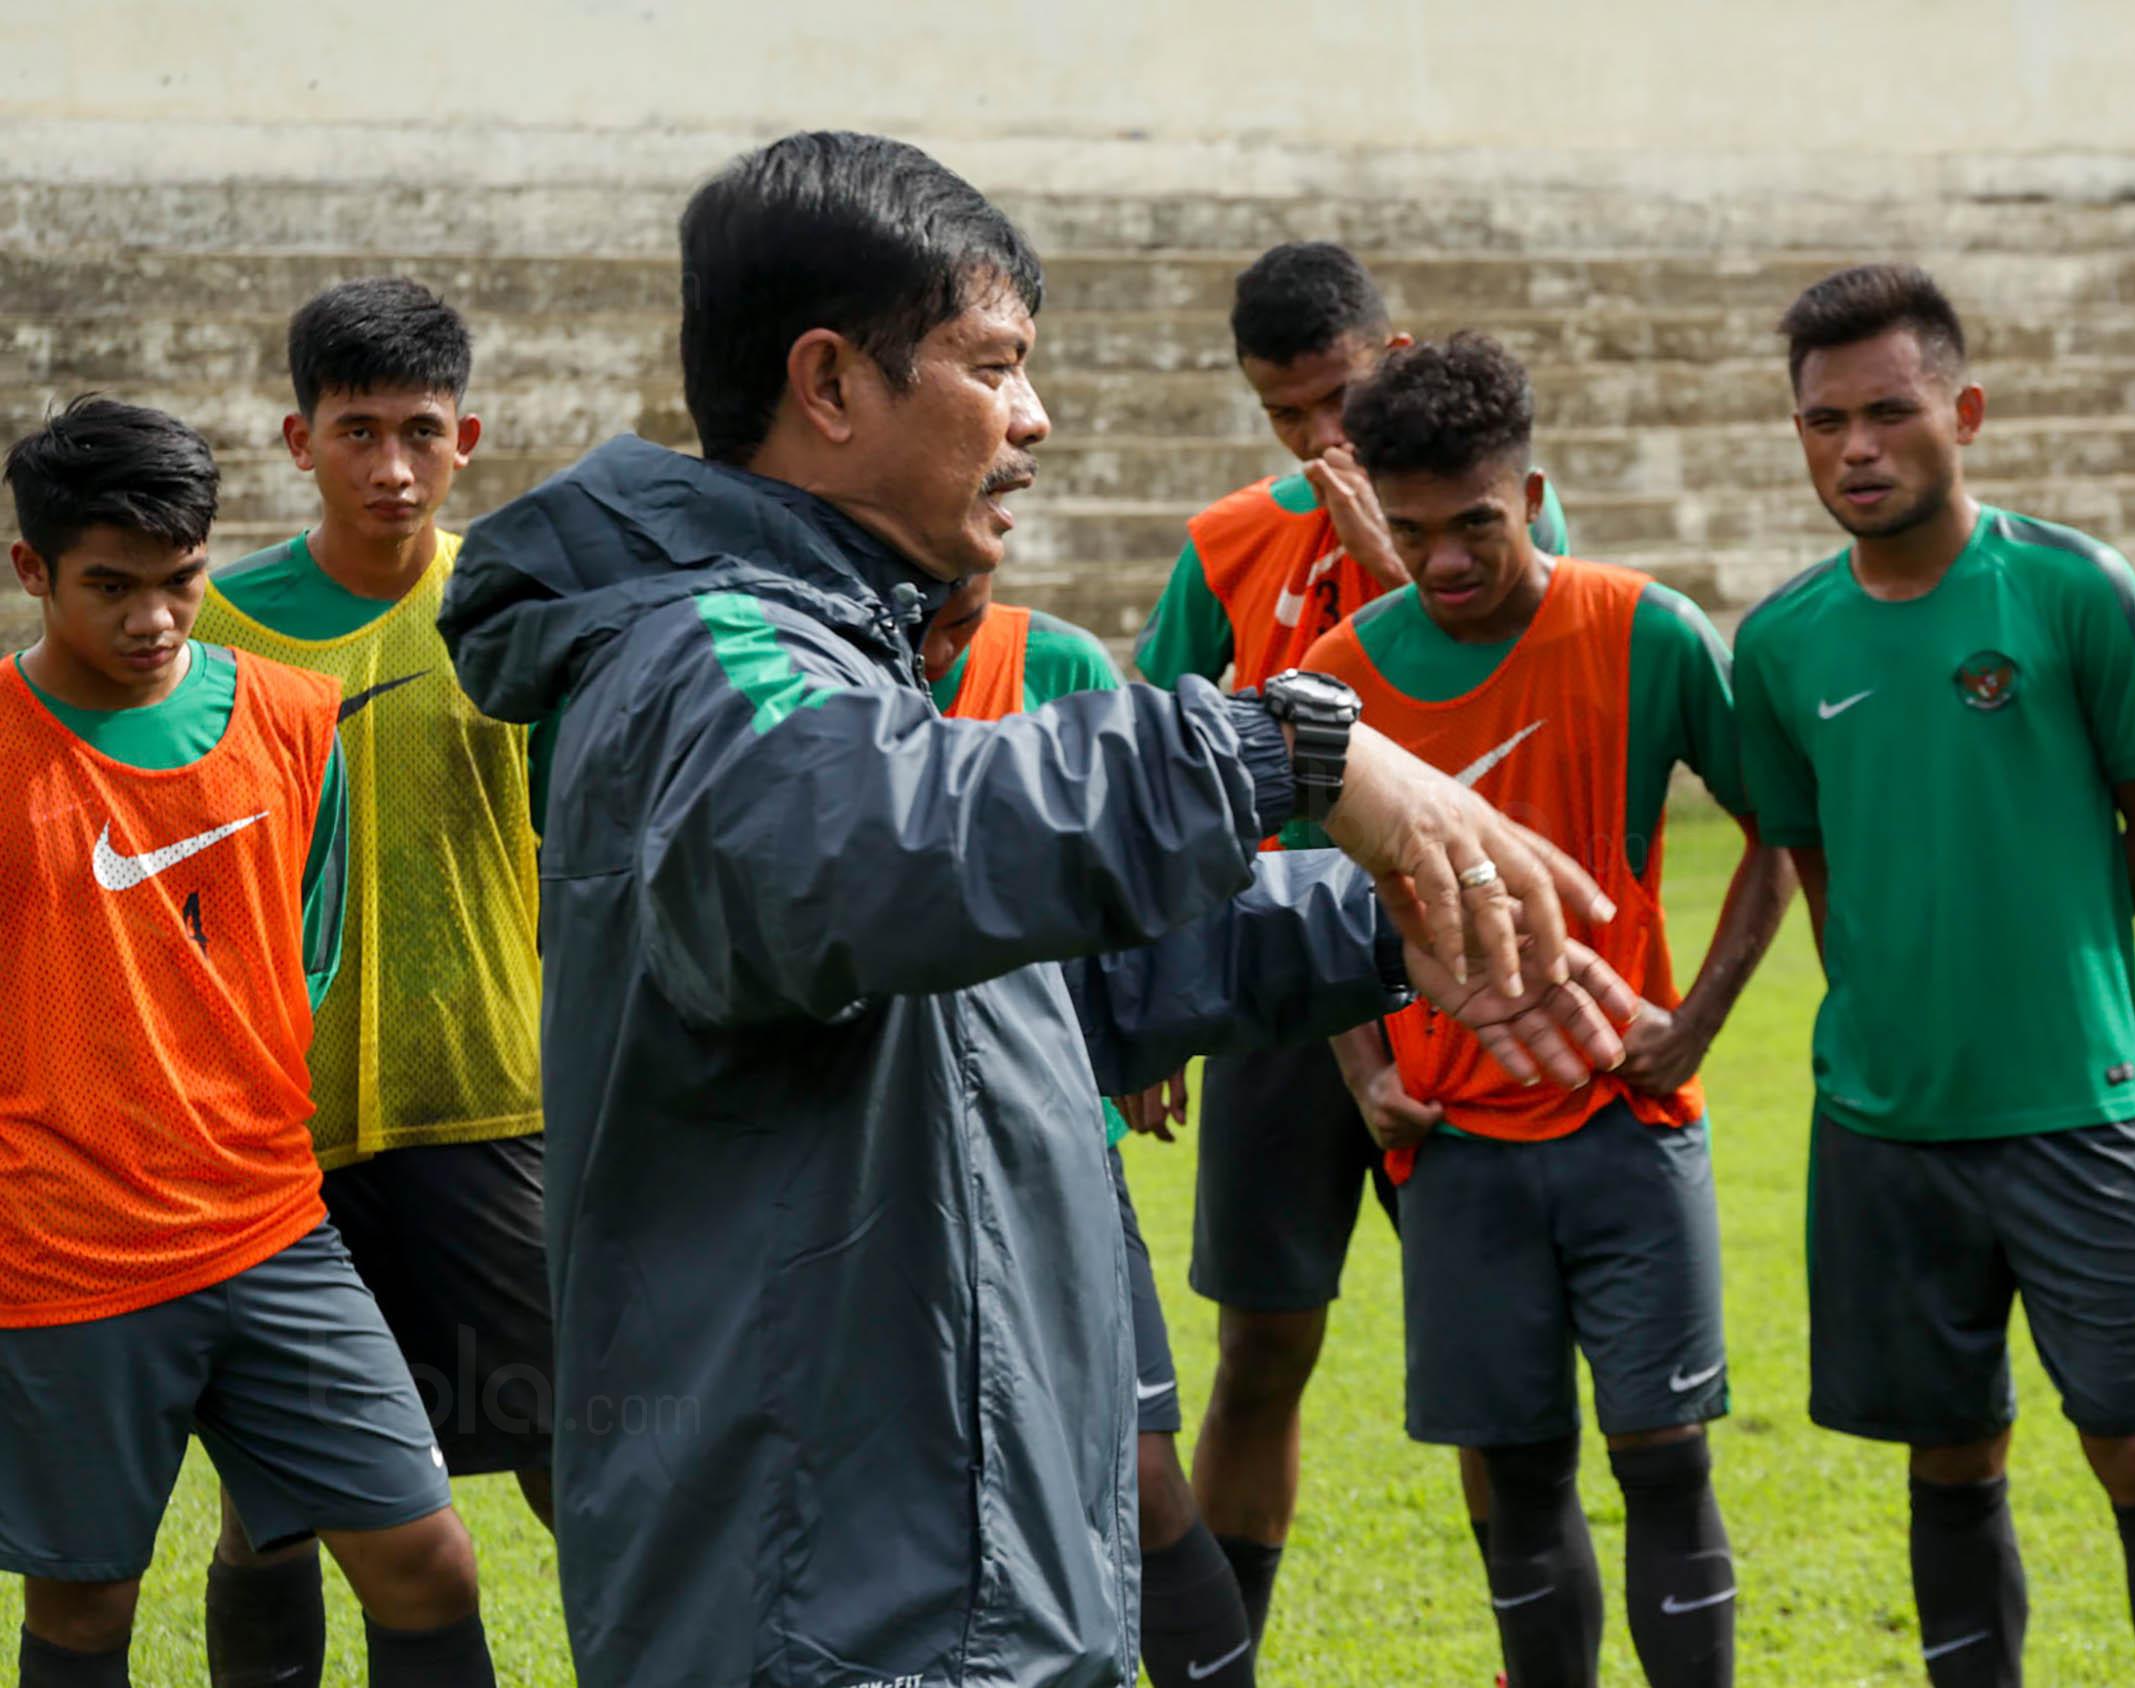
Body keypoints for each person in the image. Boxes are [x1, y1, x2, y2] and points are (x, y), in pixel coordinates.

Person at [435, 129, 1636, 1688]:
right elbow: (846, 858)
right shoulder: (705, 659)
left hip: (951, 1578)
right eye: (994, 365)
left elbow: (1012, 1003)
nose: (1035, 418)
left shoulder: (834, 662)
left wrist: (1375, 931)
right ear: (831, 383)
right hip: (837, 1611)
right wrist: (1287, 746)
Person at [1729, 264, 2135, 1688]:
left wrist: (2038, 946)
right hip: (1886, 1129)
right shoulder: (1777, 645)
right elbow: (1816, 862)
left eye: (1888, 412)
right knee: (1950, 1457)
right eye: (1824, 421)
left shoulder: (2077, 592)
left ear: (1961, 409)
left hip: (2074, 1106)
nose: (1856, 448)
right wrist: (1903, 991)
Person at [1297, 333, 1790, 1688]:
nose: (1446, 565)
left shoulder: (1644, 630)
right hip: (1452, 1146)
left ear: (1531, 494)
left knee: (1666, 1461)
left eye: (1476, 528)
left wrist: (1694, 1021)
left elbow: (1778, 832)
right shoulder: (1340, 677)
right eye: (1411, 534)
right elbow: (1292, 894)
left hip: (1628, 1123)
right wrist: (1360, 1066)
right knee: (1516, 1477)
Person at [0, 398, 496, 1688]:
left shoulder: (290, 716)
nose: (154, 617)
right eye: (110, 586)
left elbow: (306, 958)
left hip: (272, 1228)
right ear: (31, 569)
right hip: (67, 1255)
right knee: (87, 1606)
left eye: (181, 580)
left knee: (427, 1557)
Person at [1135, 240, 1570, 1646]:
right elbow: (1149, 772)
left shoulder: (1503, 534)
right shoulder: (1227, 545)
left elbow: (1539, 723)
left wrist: (1395, 556)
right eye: (1285, 416)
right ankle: (1225, 1661)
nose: (1321, 441)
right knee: (1261, 1348)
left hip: (1454, 994)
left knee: (1492, 1368)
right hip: (1275, 995)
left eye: (1334, 401)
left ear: (1390, 361)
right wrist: (1151, 1006)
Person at [187, 276, 553, 1688]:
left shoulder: (518, 605)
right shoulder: (214, 627)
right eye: (356, 432)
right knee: (273, 1510)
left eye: (419, 431)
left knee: (568, 1457)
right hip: (282, 1136)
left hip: (490, 1110)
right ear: (296, 440)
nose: (390, 468)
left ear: (468, 434)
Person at [921, 576, 1258, 1685]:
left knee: (1140, 1474)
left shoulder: (1057, 665)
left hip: (1051, 1138)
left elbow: (1132, 872)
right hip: (876, 1163)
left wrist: (1147, 1032)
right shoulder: (814, 680)